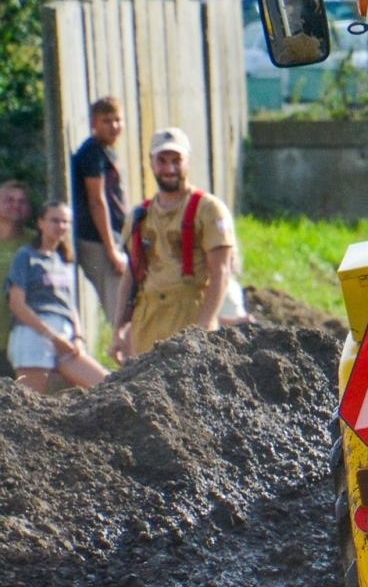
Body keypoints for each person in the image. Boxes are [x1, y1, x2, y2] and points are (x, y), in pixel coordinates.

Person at [112, 128, 238, 361]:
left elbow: (221, 272)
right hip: (147, 320)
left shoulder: (208, 209)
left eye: (176, 160)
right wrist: (118, 329)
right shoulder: (140, 215)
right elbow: (130, 275)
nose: (169, 169)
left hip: (189, 316)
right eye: (162, 161)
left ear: (187, 162)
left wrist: (205, 326)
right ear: (151, 163)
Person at [5, 201, 108, 392]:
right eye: (54, 220)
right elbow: (17, 304)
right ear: (41, 223)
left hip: (66, 338)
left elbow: (71, 305)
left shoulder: (66, 262)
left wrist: (78, 337)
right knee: (32, 404)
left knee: (107, 384)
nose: (60, 226)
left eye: (65, 222)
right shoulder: (26, 256)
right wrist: (52, 337)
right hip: (34, 335)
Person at [70, 96, 129, 322]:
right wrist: (112, 249)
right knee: (118, 312)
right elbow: (97, 201)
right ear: (94, 123)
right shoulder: (92, 153)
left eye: (117, 120)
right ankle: (127, 357)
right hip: (98, 241)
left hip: (110, 237)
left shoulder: (105, 150)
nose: (114, 126)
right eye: (107, 121)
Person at [0, 180, 33, 378]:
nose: (16, 205)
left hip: (20, 336)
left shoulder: (34, 242)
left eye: (22, 201)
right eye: (9, 200)